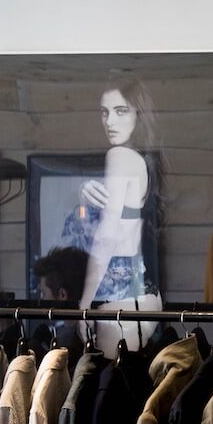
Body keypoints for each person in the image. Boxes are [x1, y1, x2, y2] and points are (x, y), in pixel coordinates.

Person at [57, 70, 165, 354]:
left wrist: (83, 305)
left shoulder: (119, 157)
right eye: (104, 112)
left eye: (120, 111)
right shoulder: (140, 160)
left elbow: (107, 236)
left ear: (137, 115)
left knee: (110, 388)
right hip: (143, 295)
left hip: (119, 301)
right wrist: (83, 198)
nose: (110, 121)